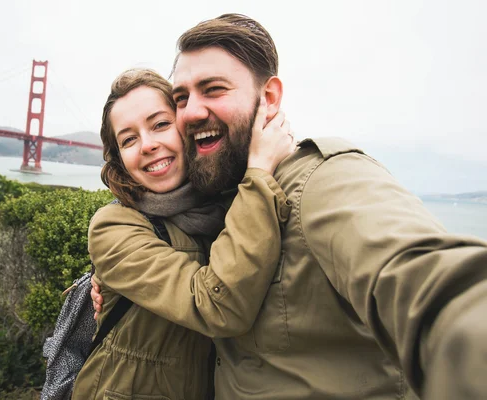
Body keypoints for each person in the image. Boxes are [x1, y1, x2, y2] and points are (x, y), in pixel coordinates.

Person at [92, 13, 487, 400]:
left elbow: (424, 281)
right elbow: (207, 297)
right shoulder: (212, 200)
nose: (192, 111)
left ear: (269, 98)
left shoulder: (322, 180)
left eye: (213, 89)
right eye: (182, 98)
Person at [71, 69, 295, 400]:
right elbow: (216, 307)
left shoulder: (229, 202)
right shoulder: (113, 227)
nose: (148, 145)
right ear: (119, 158)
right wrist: (259, 173)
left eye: (160, 124)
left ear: (185, 126)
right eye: (129, 139)